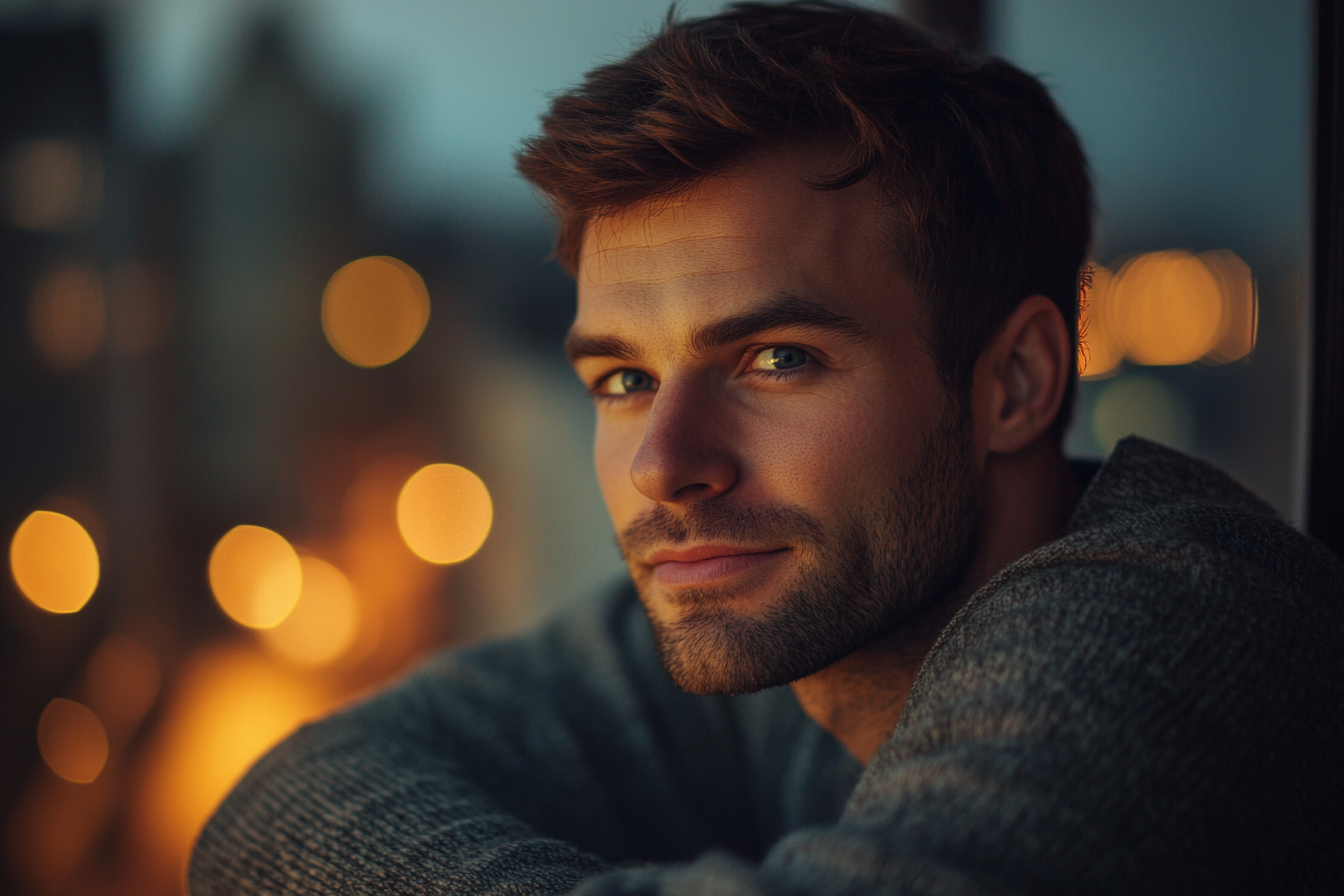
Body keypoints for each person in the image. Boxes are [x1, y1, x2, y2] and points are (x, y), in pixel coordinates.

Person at [189, 3, 1344, 893]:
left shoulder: (1180, 633)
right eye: (625, 379)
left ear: (1019, 381)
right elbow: (272, 816)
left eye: (776, 359)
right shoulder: (794, 621)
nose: (664, 463)